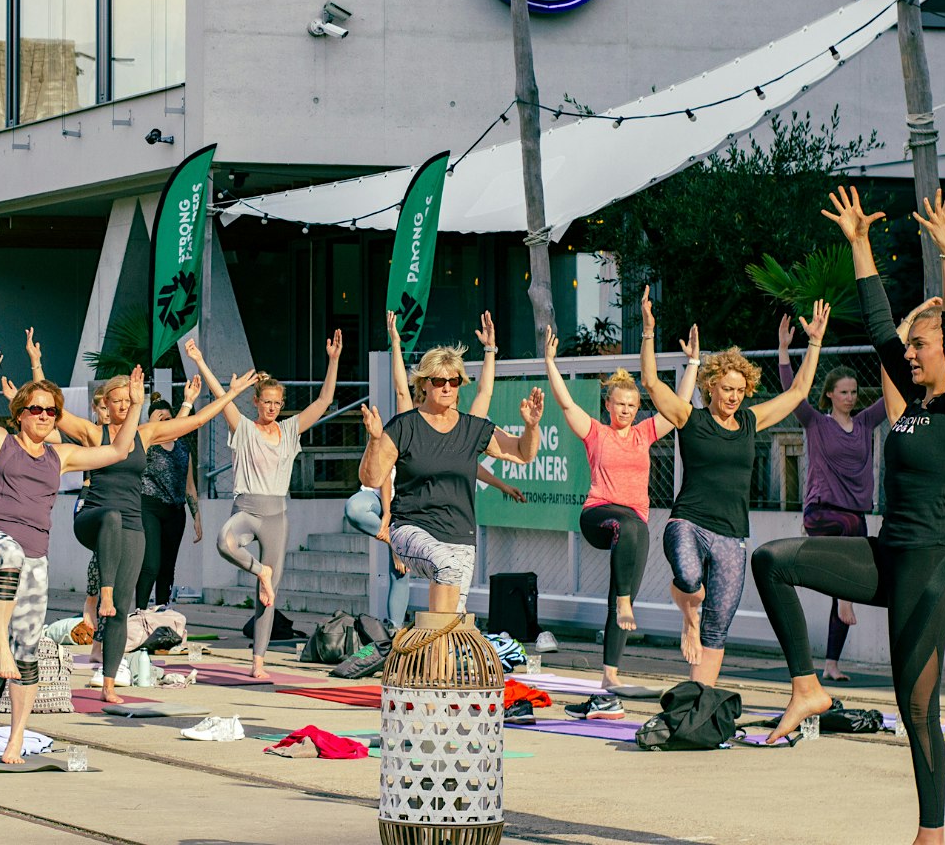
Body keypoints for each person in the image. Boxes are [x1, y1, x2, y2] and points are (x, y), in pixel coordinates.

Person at [754, 188, 945, 842]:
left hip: (934, 565)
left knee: (916, 704)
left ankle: (930, 833)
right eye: (911, 346)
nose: (911, 351)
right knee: (773, 559)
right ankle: (807, 686)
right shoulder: (906, 404)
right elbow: (881, 325)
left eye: (923, 345)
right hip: (885, 555)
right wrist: (859, 243)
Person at [0, 328, 140, 762]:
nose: (45, 416)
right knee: (8, 558)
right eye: (37, 410)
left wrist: (136, 405)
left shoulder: (60, 455)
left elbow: (119, 450)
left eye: (51, 411)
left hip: (34, 556)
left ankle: (14, 739)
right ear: (20, 414)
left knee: (30, 653)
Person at [642, 289, 828, 686]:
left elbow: (797, 394)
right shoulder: (689, 418)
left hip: (732, 535)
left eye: (740, 390)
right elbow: (651, 382)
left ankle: (699, 698)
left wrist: (813, 342)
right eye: (727, 388)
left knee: (719, 626)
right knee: (690, 579)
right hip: (688, 523)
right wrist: (647, 332)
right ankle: (687, 614)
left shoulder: (748, 422)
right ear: (710, 386)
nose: (733, 396)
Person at [56, 358, 249, 702]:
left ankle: (110, 682)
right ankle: (105, 591)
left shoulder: (146, 435)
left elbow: (198, 419)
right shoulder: (92, 432)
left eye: (128, 399)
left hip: (131, 524)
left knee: (120, 608)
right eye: (116, 400)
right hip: (95, 516)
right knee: (111, 527)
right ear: (105, 403)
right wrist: (39, 368)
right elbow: (53, 413)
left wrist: (230, 394)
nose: (122, 405)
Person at [543, 319, 694, 691]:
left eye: (631, 405)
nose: (625, 410)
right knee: (629, 527)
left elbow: (680, 407)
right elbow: (565, 403)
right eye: (619, 404)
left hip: (634, 524)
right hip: (598, 515)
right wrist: (550, 361)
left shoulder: (644, 434)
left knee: (630, 556)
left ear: (637, 407)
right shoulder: (597, 433)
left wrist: (693, 364)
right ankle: (625, 601)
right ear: (608, 404)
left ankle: (610, 674)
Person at [189, 333, 344, 680]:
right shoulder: (243, 428)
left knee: (267, 599)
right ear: (256, 402)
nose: (272, 408)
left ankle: (258, 661)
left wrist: (333, 360)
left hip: (277, 516)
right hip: (246, 509)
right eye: (266, 402)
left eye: (277, 403)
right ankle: (262, 572)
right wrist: (199, 360)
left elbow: (324, 401)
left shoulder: (290, 431)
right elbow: (219, 396)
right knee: (224, 543)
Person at [349, 311, 518, 627]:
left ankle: (421, 646)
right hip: (403, 511)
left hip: (444, 525)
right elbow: (401, 391)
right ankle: (398, 633)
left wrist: (491, 351)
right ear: (424, 387)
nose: (447, 389)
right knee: (401, 559)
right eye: (438, 382)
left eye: (453, 383)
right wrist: (396, 343)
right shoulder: (407, 423)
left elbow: (484, 395)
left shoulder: (466, 429)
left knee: (448, 602)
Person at [778, 315, 887, 683]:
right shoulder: (816, 423)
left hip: (855, 516)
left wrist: (896, 344)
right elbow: (792, 393)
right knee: (844, 548)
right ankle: (844, 598)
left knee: (851, 568)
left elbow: (893, 396)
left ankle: (831, 663)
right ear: (829, 395)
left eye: (854, 392)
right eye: (843, 392)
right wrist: (783, 350)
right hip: (822, 514)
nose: (851, 397)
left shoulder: (865, 424)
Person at [137, 384, 201, 609]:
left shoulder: (183, 447)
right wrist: (188, 402)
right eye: (159, 416)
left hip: (176, 511)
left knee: (167, 566)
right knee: (151, 563)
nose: (164, 419)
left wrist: (197, 517)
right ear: (150, 421)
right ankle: (140, 610)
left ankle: (162, 610)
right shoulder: (147, 442)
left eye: (168, 417)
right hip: (149, 507)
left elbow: (190, 486)